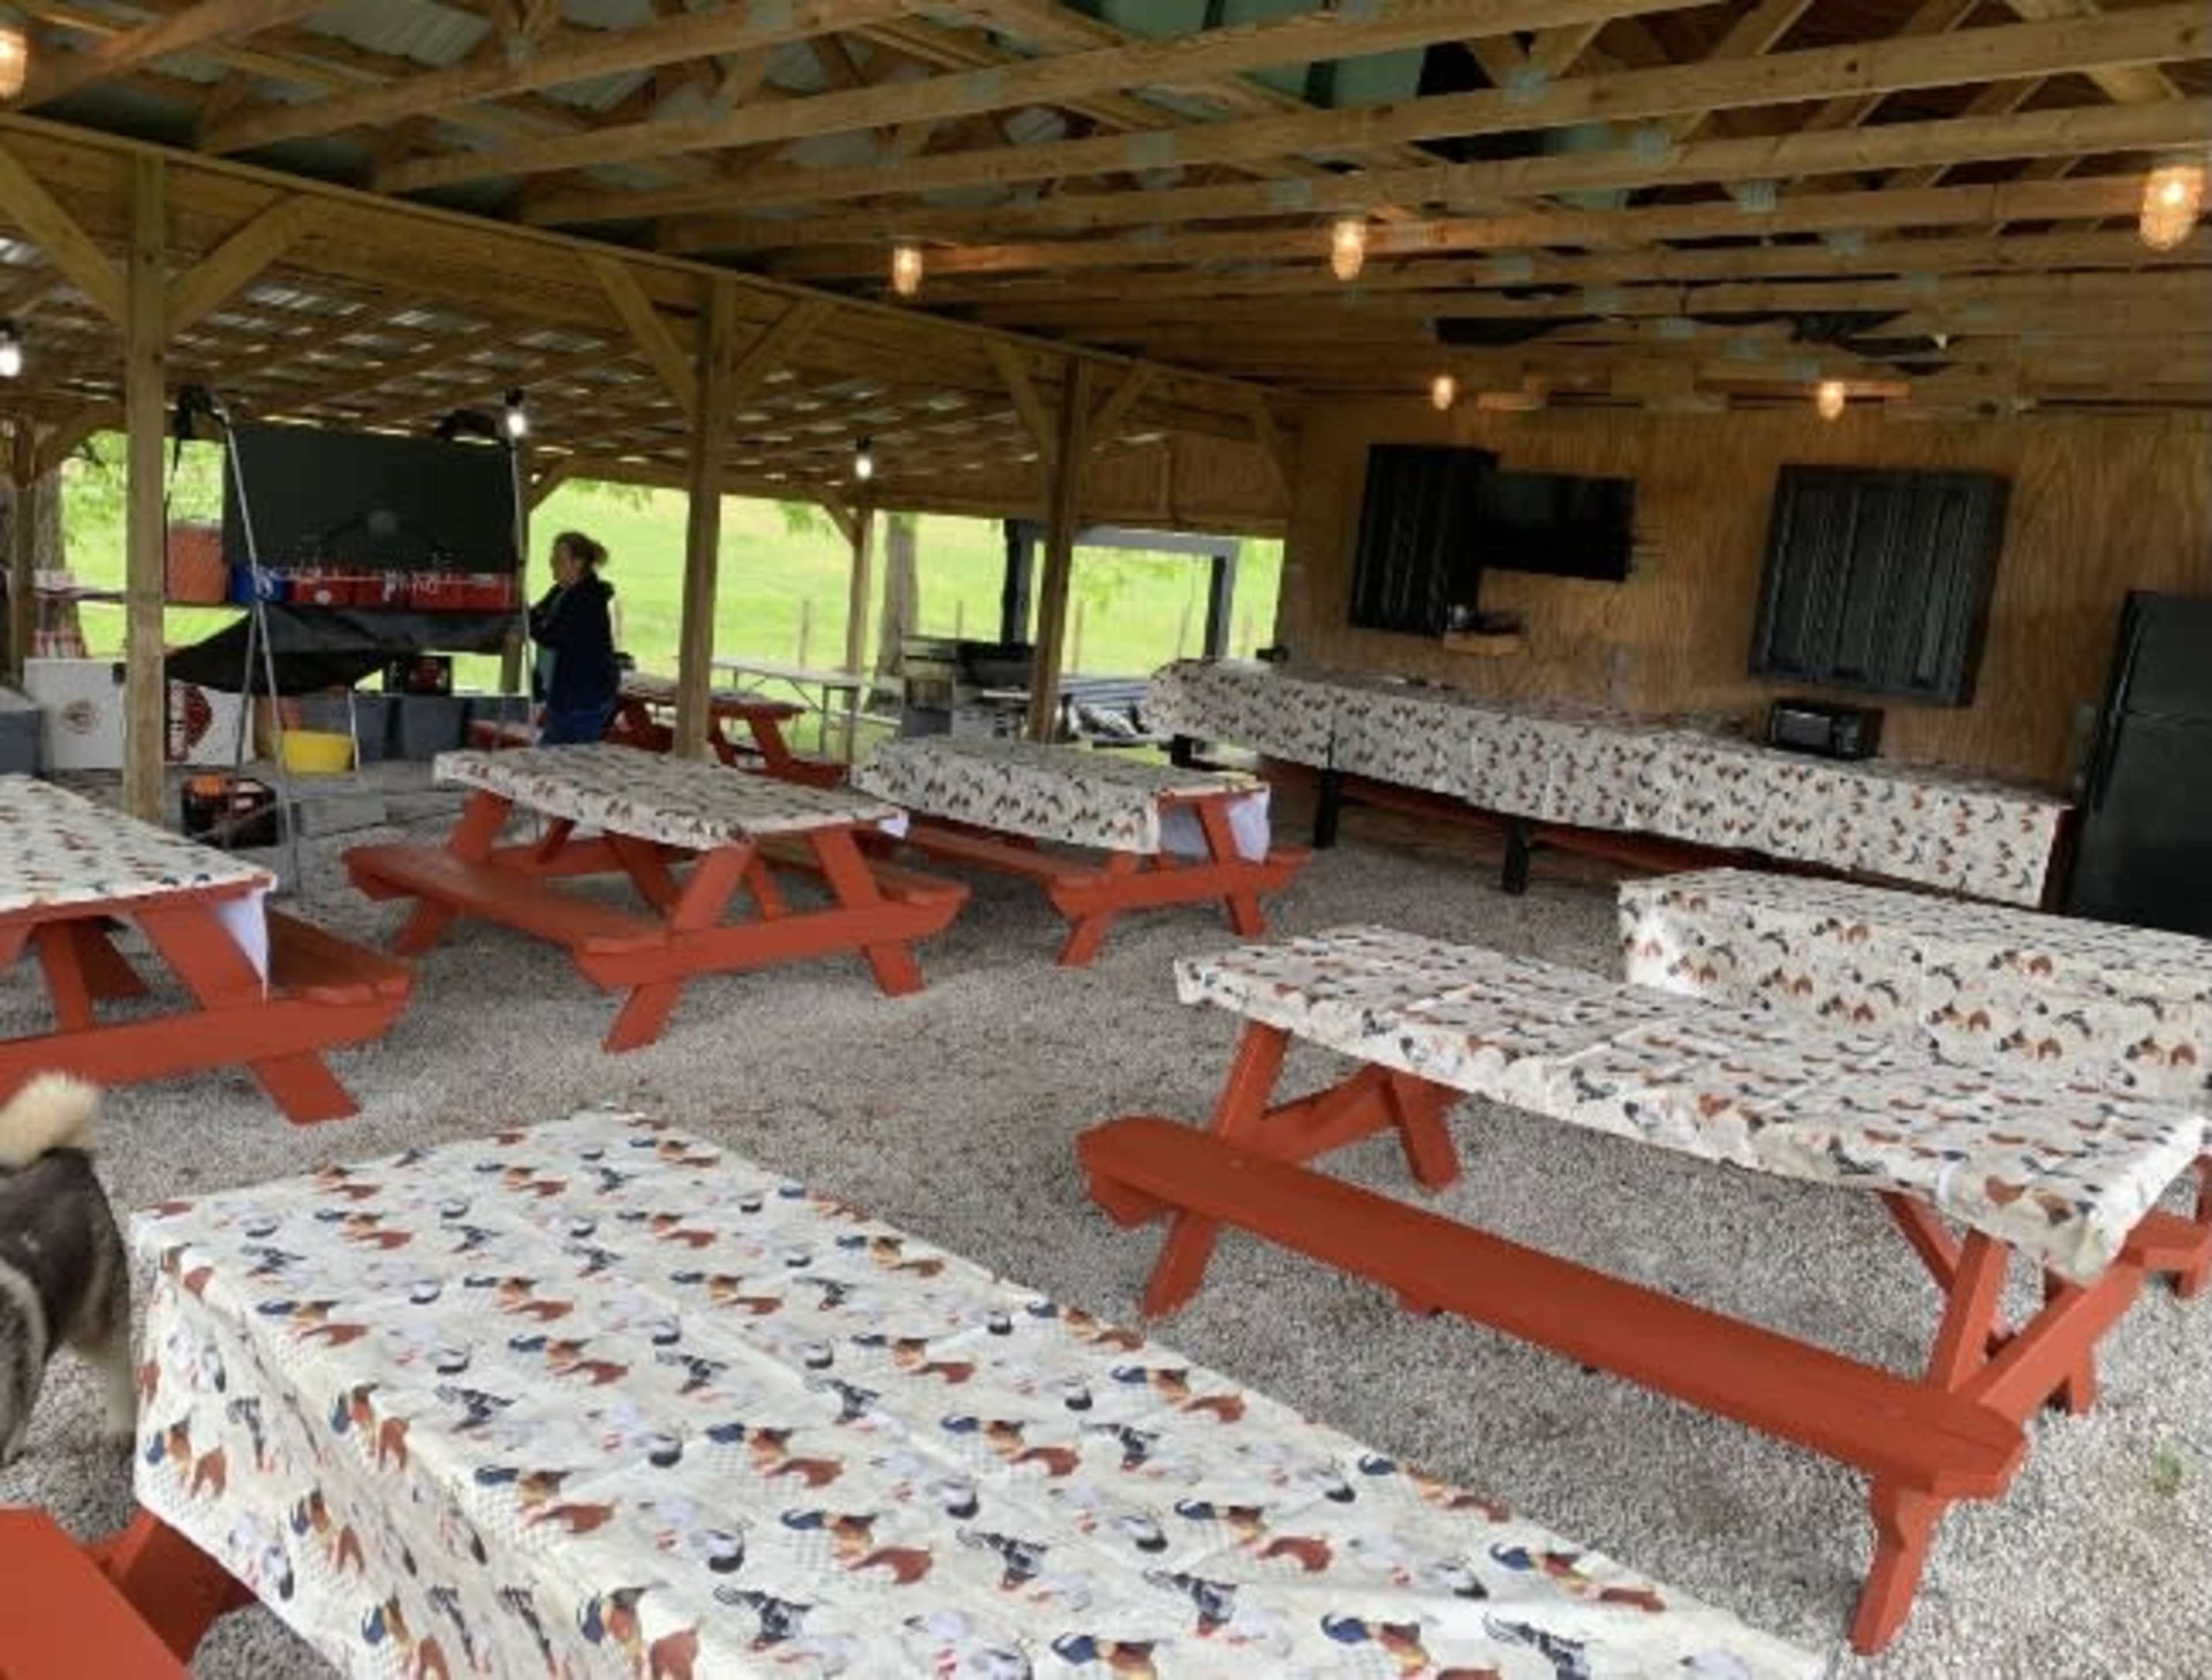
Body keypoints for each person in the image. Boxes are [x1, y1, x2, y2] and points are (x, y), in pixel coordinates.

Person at [528, 531, 620, 744]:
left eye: (559, 559)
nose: (552, 564)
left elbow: (552, 637)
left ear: (578, 563)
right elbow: (538, 614)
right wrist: (526, 615)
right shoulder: (562, 592)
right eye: (552, 559)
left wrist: (527, 622)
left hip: (584, 697)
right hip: (566, 695)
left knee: (565, 763)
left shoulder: (587, 599)